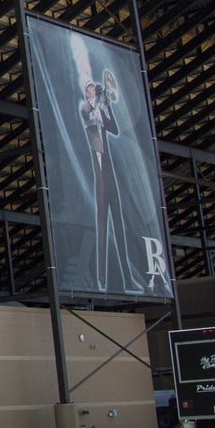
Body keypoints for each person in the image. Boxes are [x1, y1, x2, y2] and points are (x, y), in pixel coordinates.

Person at [78, 73, 126, 288]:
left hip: (108, 169)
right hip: (97, 170)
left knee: (118, 220)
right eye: (90, 88)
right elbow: (88, 112)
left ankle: (126, 274)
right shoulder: (85, 108)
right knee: (101, 221)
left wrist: (108, 106)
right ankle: (102, 277)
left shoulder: (100, 109)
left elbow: (113, 128)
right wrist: (97, 100)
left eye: (93, 87)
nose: (93, 90)